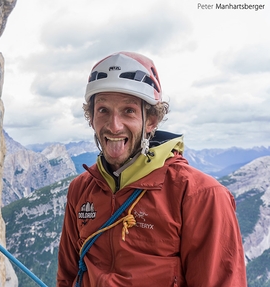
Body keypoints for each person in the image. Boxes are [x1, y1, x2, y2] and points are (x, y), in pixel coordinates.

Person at [56, 51, 247, 287]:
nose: (114, 126)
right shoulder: (81, 188)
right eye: (103, 110)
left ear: (152, 121)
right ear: (91, 117)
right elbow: (67, 274)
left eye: (129, 111)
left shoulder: (200, 195)